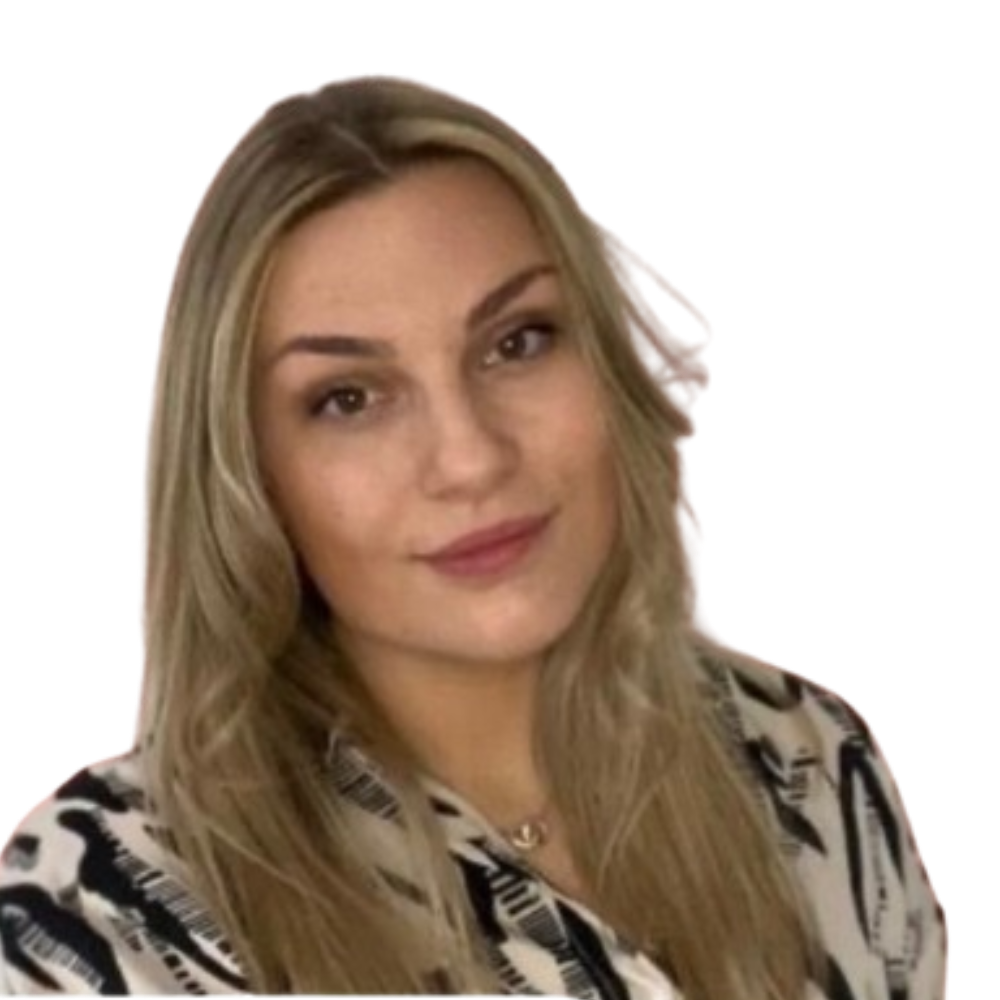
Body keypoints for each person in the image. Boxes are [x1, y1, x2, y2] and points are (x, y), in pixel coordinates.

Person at [0, 74, 949, 1000]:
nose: (470, 458)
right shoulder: (106, 908)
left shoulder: (804, 763)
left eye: (518, 342)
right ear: (248, 474)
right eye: (349, 399)